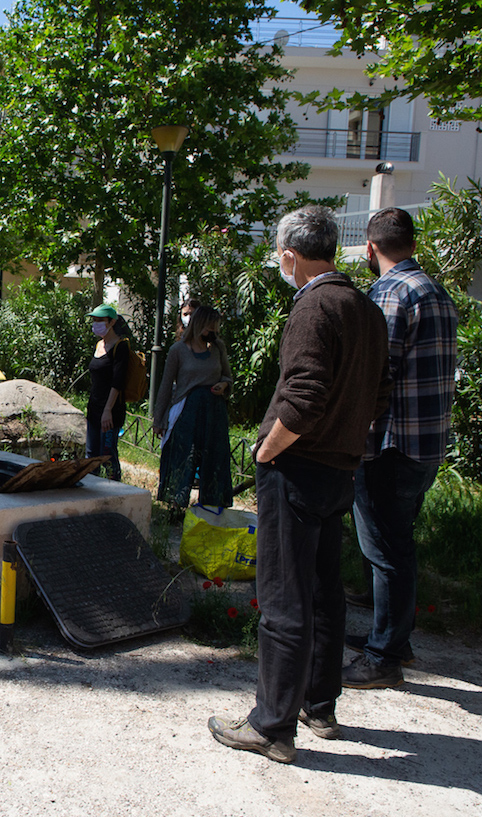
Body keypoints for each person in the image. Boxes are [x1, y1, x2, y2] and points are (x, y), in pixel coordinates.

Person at [208, 205, 391, 764]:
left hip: (299, 465)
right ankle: (319, 704)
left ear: (291, 255)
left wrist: (267, 450)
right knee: (323, 591)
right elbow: (379, 396)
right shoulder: (365, 308)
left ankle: (271, 725)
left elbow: (304, 394)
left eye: (280, 258)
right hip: (341, 467)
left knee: (286, 596)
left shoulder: (314, 305)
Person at [343, 207, 458, 689]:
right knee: (399, 544)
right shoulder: (436, 291)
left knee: (384, 550)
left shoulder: (389, 294)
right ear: (412, 243)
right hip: (427, 443)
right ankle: (396, 639)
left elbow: (375, 376)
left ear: (371, 248)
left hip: (389, 443)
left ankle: (384, 656)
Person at [152, 304, 234, 508]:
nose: (212, 333)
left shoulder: (218, 348)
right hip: (187, 413)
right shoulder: (178, 350)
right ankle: (175, 507)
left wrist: (223, 385)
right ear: (198, 325)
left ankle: (212, 507)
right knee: (182, 458)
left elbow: (227, 376)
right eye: (209, 328)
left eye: (216, 329)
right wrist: (159, 418)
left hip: (214, 414)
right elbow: (165, 386)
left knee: (213, 459)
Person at [84, 304, 130, 482]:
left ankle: (115, 491)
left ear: (112, 322)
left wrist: (108, 410)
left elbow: (117, 382)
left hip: (110, 410)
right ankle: (90, 490)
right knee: (92, 454)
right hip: (94, 408)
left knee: (108, 454)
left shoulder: (120, 347)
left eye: (100, 320)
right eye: (94, 320)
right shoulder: (98, 345)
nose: (96, 324)